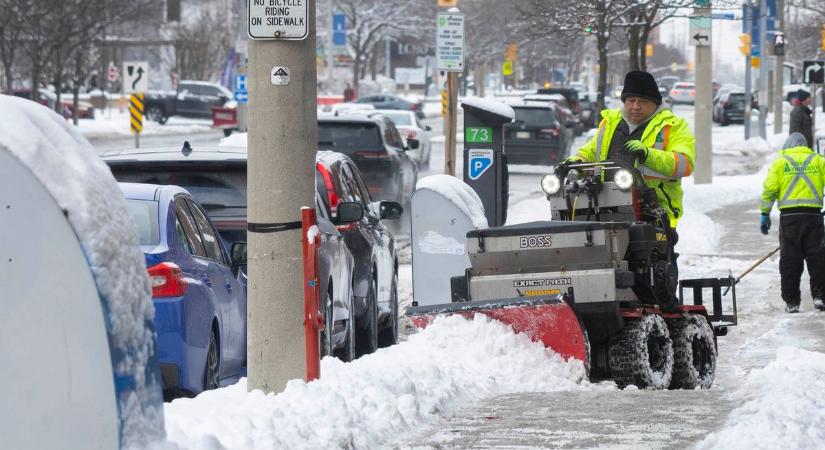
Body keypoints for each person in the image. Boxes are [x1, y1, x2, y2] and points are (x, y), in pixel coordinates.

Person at [559, 70, 696, 230]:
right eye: (631, 100)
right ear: (624, 101)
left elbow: (685, 165)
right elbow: (589, 153)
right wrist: (574, 164)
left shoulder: (673, 126)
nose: (636, 106)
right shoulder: (610, 123)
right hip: (603, 208)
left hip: (653, 213)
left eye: (642, 101)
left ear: (655, 103)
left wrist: (648, 154)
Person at [760, 132, 825, 313]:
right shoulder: (818, 161)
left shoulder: (780, 163)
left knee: (790, 260)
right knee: (817, 258)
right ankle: (820, 296)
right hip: (814, 217)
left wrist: (765, 214)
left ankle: (792, 302)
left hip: (790, 220)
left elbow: (769, 189)